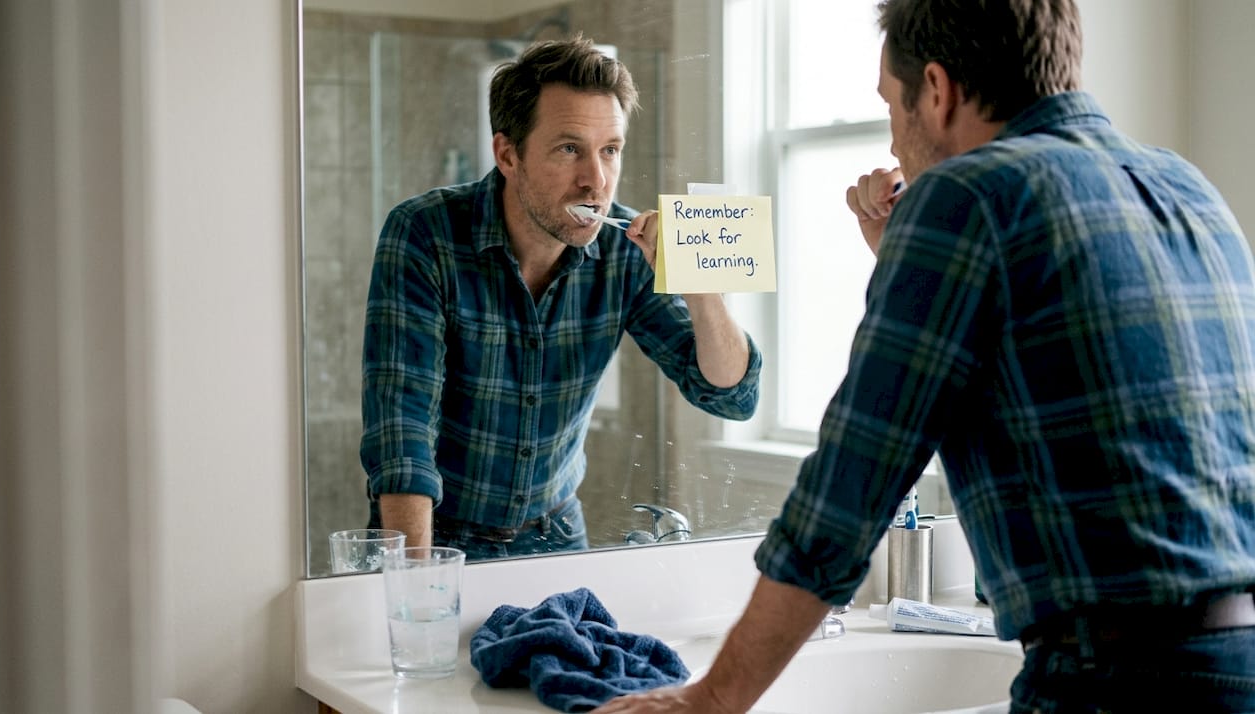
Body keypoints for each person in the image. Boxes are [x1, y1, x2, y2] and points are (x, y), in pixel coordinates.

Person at [593, 0, 1255, 712]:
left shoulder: (966, 196)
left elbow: (849, 490)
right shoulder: (1186, 188)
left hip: (1114, 682)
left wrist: (710, 700)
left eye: (890, 102)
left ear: (936, 91)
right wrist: (903, 263)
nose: (893, 135)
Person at [359, 35, 761, 562]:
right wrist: (416, 589)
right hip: (438, 535)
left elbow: (730, 396)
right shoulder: (425, 234)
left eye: (610, 151)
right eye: (570, 149)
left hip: (556, 536)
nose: (595, 181)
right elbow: (403, 431)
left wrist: (701, 289)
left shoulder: (625, 251)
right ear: (508, 154)